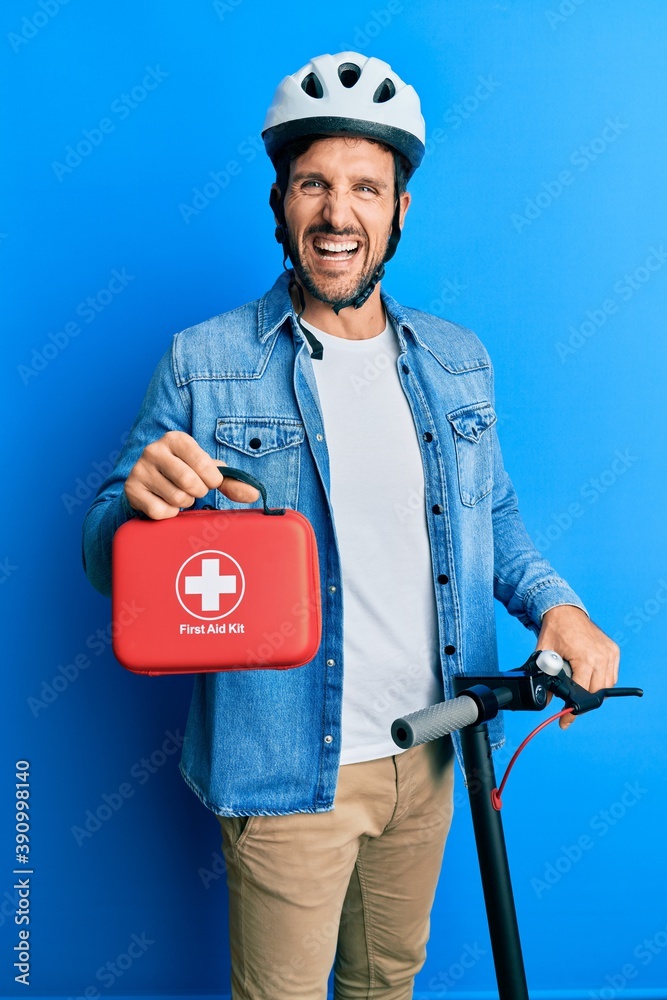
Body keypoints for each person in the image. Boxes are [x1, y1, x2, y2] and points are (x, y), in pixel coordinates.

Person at [82, 51, 620, 1000]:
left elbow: (494, 516)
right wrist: (135, 508)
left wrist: (557, 607)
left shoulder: (457, 361)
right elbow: (100, 558)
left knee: (386, 988)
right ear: (280, 203)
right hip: (285, 770)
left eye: (366, 188)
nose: (338, 214)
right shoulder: (203, 362)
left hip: (432, 751)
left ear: (400, 208)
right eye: (313, 185)